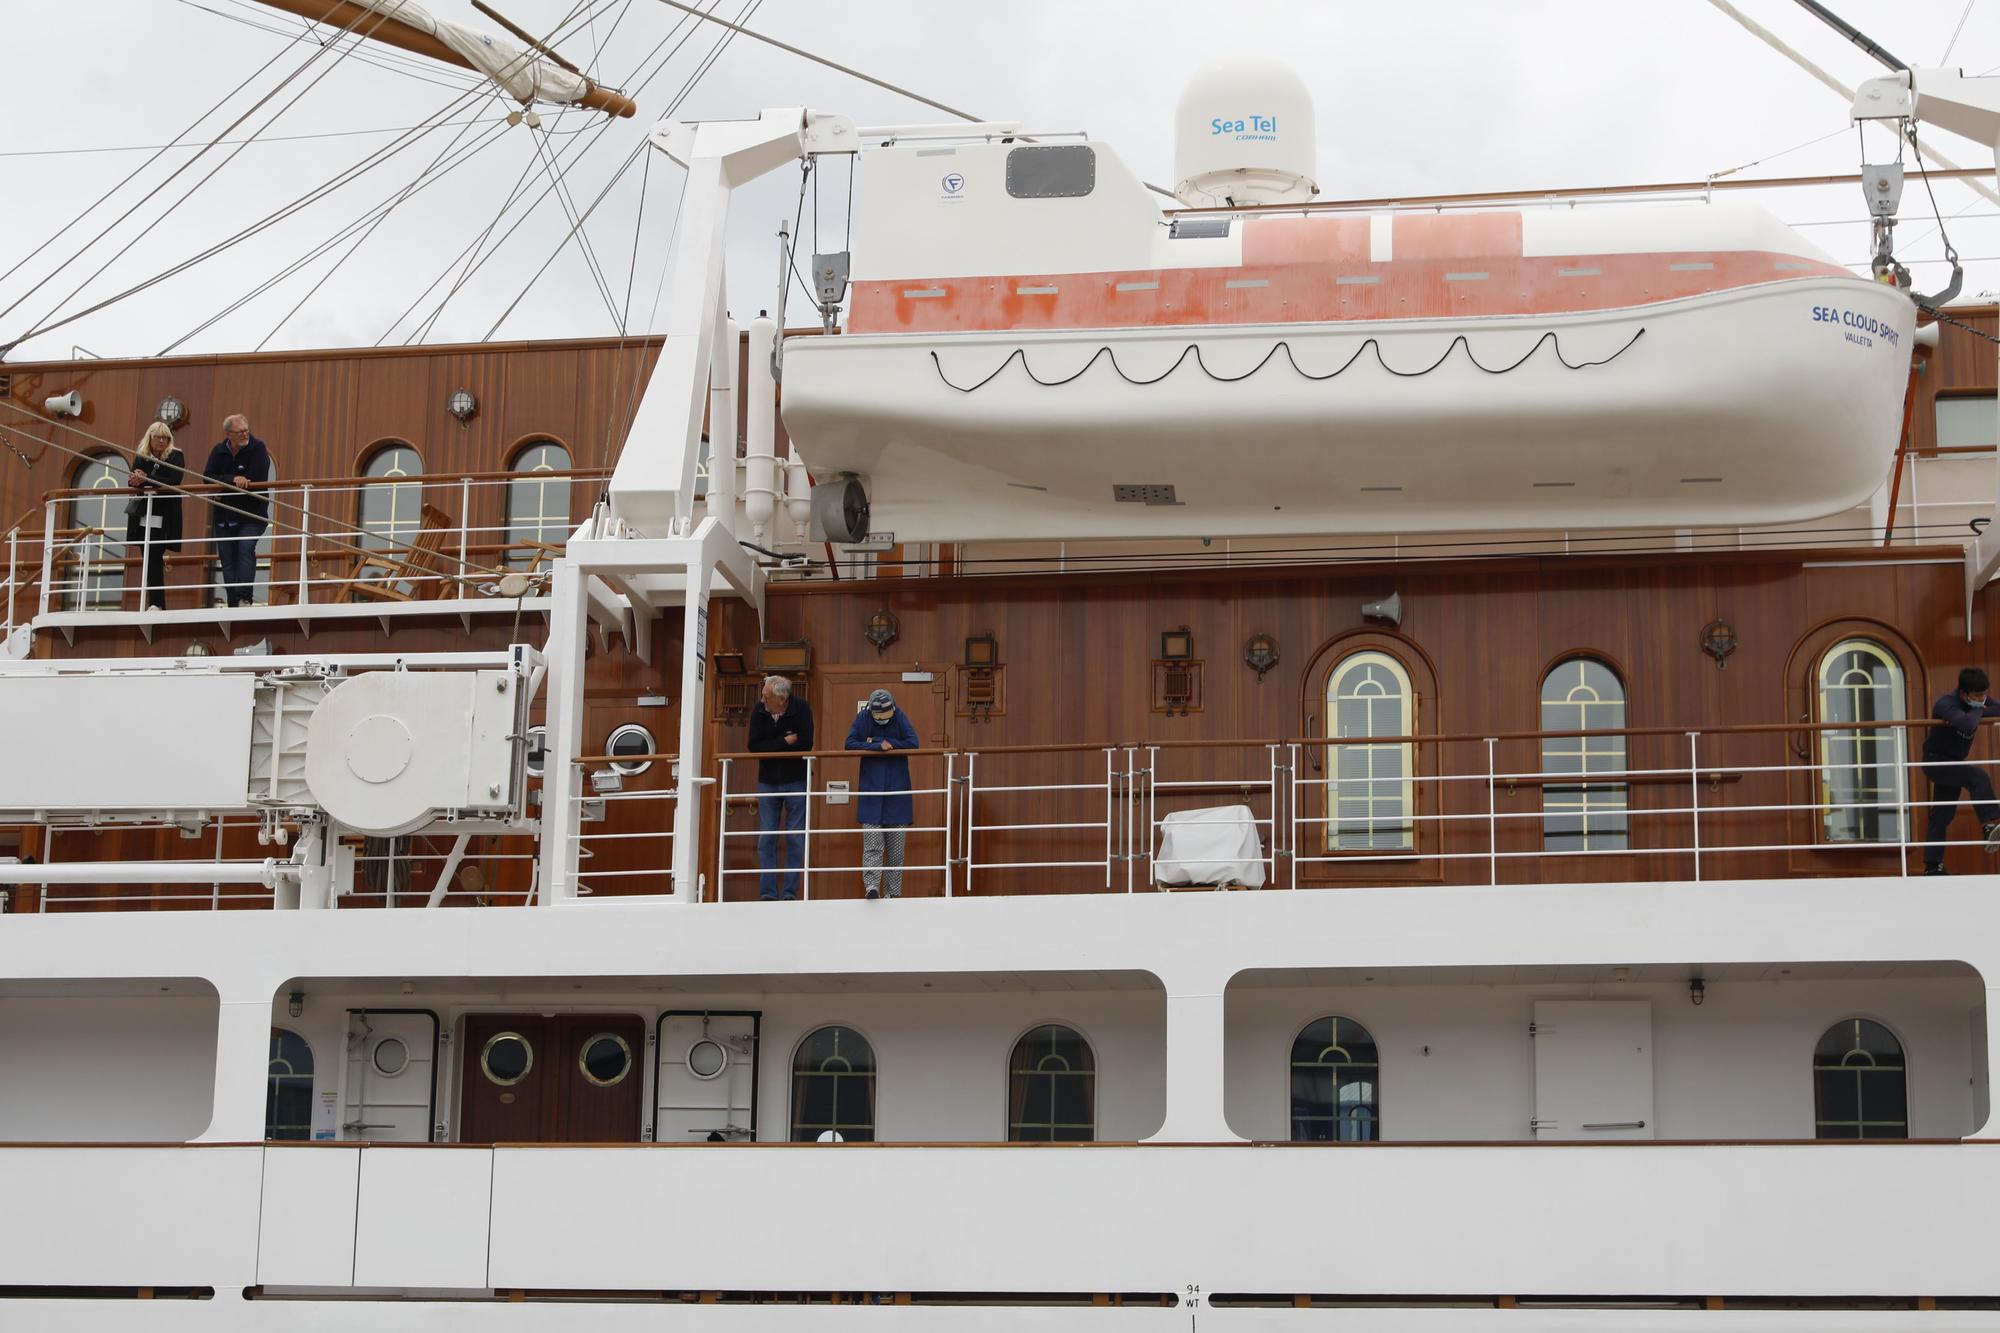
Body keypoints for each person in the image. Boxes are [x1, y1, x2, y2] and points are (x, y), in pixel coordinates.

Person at [1920, 666, 2000, 875]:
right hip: (1936, 761)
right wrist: (1979, 711)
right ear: (1964, 694)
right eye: (1977, 696)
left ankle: (1932, 866)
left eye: (1985, 695)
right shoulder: (1945, 704)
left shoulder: (1977, 701)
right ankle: (1990, 824)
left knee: (1942, 815)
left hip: (1954, 762)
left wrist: (1978, 708)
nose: (1983, 699)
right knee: (1978, 777)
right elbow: (1966, 725)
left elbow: (1996, 709)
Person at [845, 688, 919, 900]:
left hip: (897, 794)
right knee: (872, 846)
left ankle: (893, 894)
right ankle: (872, 887)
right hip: (871, 792)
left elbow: (913, 742)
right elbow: (849, 743)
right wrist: (878, 745)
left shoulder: (900, 716)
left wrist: (887, 744)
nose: (883, 721)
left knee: (896, 852)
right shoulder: (863, 717)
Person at [747, 675, 812, 900]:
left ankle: (789, 894)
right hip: (767, 781)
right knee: (767, 837)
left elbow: (806, 742)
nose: (762, 701)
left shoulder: (801, 708)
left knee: (795, 837)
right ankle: (768, 894)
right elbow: (753, 746)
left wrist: (772, 747)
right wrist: (785, 742)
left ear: (782, 699)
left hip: (795, 780)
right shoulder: (760, 710)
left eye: (767, 697)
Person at [202, 414, 271, 607]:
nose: (244, 434)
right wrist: (233, 480)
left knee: (246, 549)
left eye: (246, 430)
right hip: (224, 515)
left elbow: (256, 477)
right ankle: (233, 602)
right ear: (228, 434)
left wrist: (223, 488)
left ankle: (244, 598)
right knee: (227, 559)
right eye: (240, 432)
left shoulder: (258, 448)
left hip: (252, 515)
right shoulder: (218, 451)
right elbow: (207, 477)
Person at [125, 422, 185, 611]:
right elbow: (133, 479)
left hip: (165, 514)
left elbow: (174, 480)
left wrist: (146, 478)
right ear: (149, 438)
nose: (161, 441)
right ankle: (155, 603)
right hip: (144, 513)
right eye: (158, 437)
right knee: (148, 556)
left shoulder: (176, 456)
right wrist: (137, 478)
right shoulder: (142, 456)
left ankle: (157, 603)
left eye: (165, 437)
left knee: (154, 555)